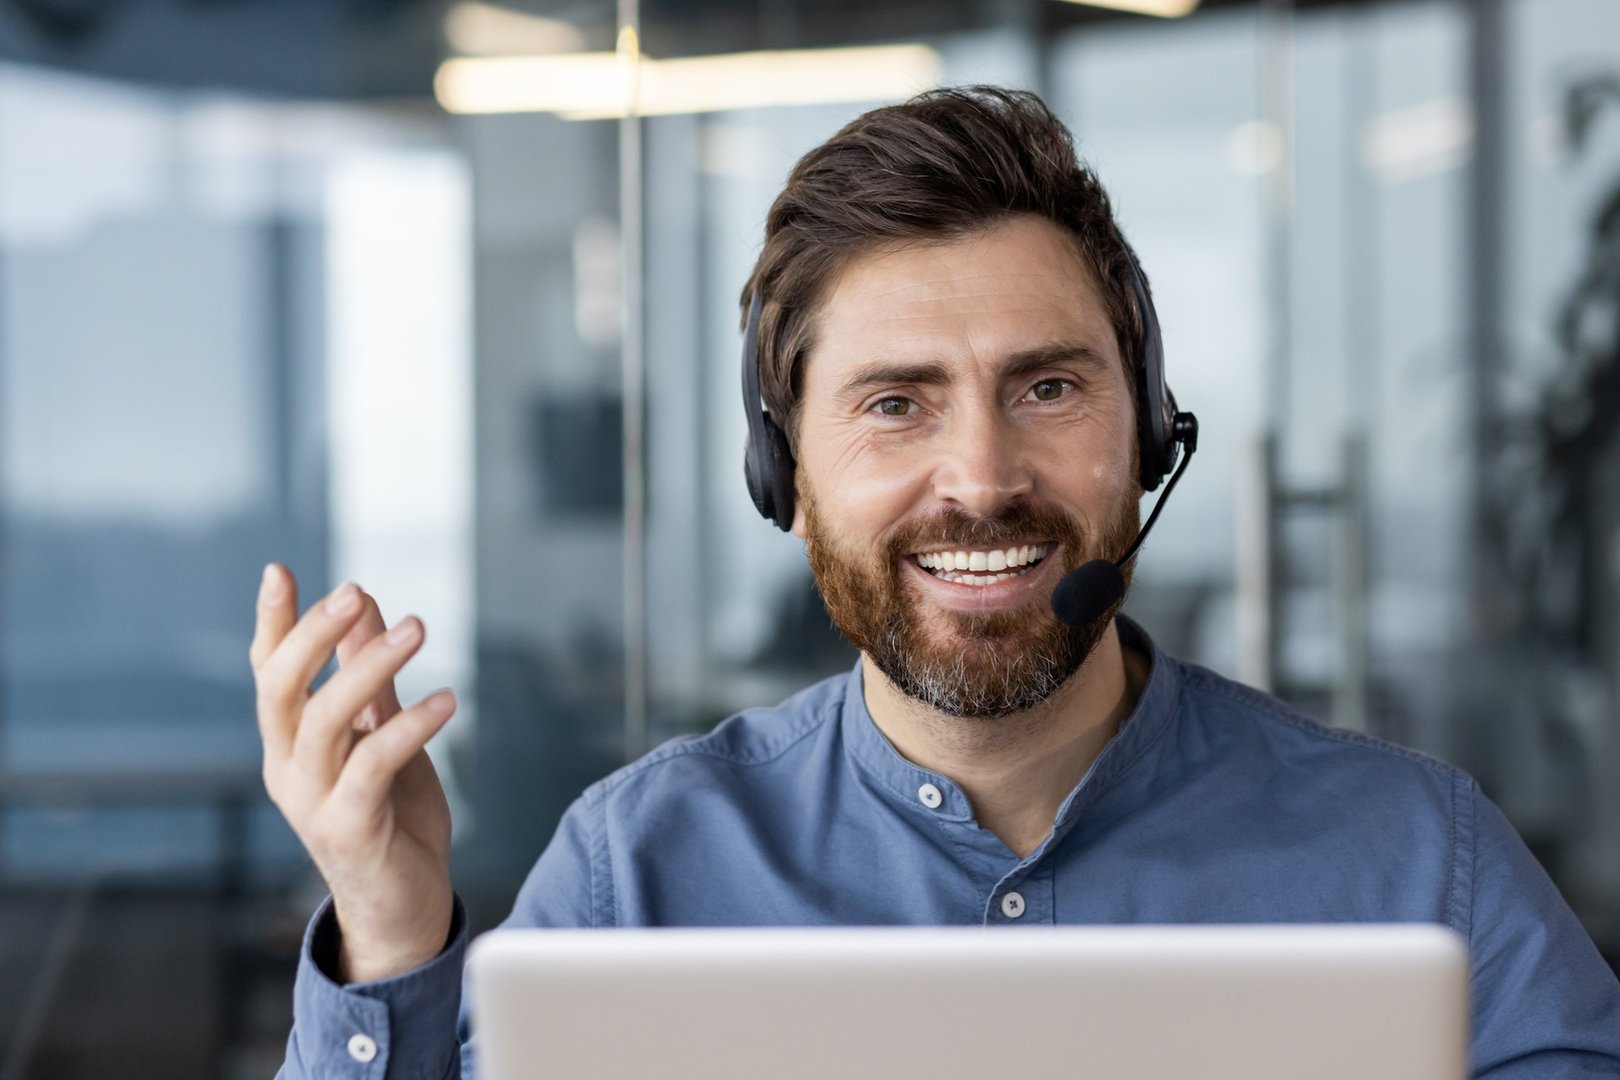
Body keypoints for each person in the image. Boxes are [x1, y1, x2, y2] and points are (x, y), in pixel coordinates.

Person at [254, 87, 1620, 1079]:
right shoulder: (638, 873)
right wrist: (387, 925)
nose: (981, 475)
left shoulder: (1413, 858)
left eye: (1047, 386)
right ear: (784, 477)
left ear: (1146, 437)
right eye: (897, 403)